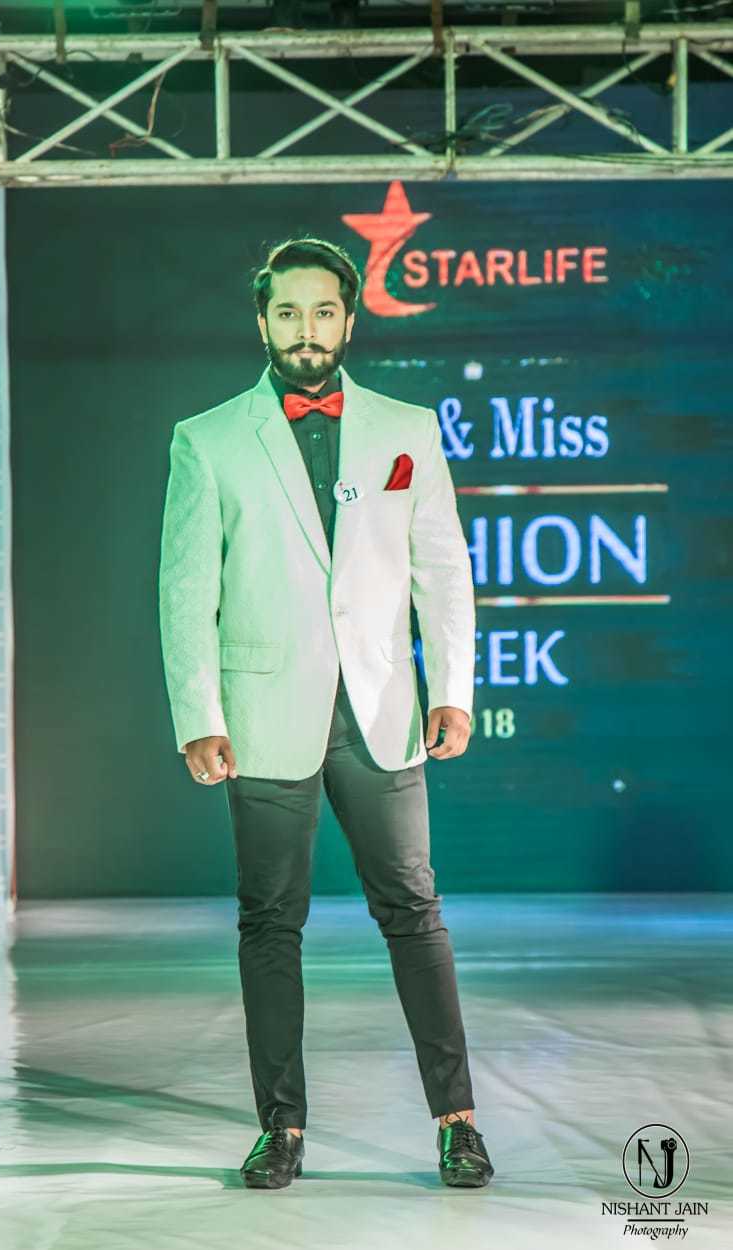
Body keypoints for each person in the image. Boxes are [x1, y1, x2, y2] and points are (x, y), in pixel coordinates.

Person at [158, 236, 494, 1191]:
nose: (305, 329)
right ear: (261, 320)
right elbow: (185, 589)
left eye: (322, 311)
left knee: (413, 911)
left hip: (382, 708)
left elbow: (442, 571)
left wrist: (452, 690)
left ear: (349, 318)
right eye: (288, 312)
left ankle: (458, 1123)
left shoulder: (406, 428)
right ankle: (281, 1128)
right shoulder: (208, 438)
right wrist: (198, 713)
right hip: (264, 709)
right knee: (270, 922)